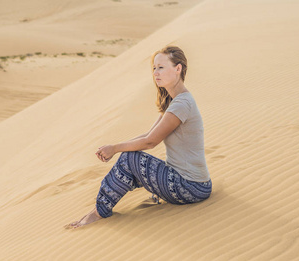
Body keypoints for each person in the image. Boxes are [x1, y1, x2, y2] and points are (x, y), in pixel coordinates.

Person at [65, 45, 212, 229]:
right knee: (130, 160)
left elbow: (150, 142)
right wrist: (114, 146)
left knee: (128, 158)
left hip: (191, 187)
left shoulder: (182, 104)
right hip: (193, 184)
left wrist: (115, 149)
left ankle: (98, 212)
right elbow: (148, 135)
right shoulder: (175, 102)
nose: (156, 73)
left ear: (178, 68)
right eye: (154, 68)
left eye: (161, 67)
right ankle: (100, 208)